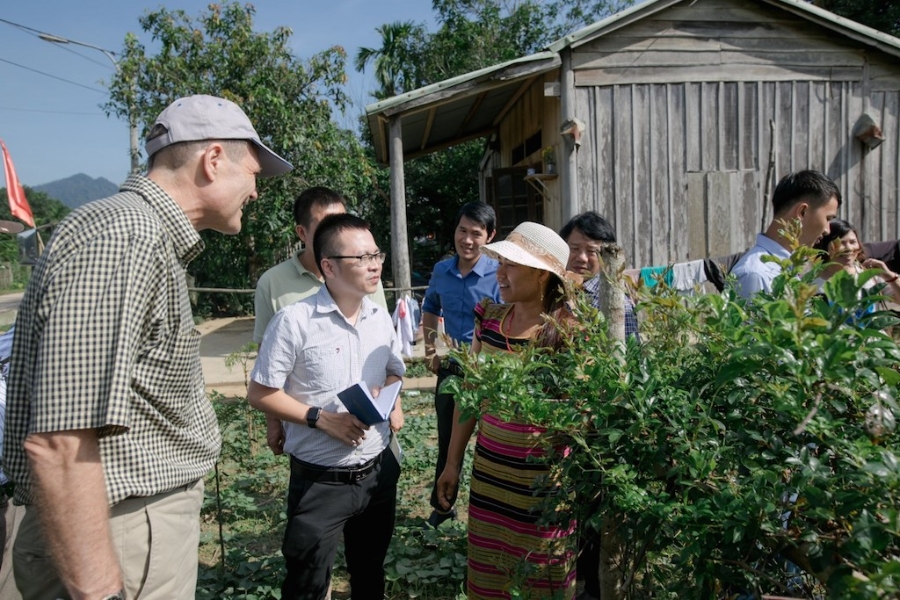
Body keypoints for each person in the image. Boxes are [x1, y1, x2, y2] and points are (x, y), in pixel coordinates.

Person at [5, 94, 292, 600]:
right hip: (122, 536)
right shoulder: (126, 235)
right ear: (214, 160)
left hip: (127, 530)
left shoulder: (137, 233)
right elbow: (62, 441)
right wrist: (98, 590)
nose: (255, 191)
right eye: (254, 172)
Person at [248, 213, 405, 600]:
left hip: (377, 472)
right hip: (320, 481)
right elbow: (260, 392)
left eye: (377, 254)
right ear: (329, 267)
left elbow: (394, 371)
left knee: (369, 573)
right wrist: (321, 419)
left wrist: (387, 393)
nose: (374, 264)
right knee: (307, 583)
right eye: (362, 257)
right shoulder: (294, 322)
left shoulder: (378, 316)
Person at [436, 221, 578, 600]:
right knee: (489, 575)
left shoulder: (569, 332)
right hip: (490, 476)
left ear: (543, 275)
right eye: (500, 262)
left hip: (542, 486)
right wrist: (453, 463)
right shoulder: (491, 318)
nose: (499, 273)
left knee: (541, 577)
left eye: (511, 265)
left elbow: (582, 417)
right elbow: (470, 396)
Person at [254, 186, 388, 456]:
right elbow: (266, 367)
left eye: (343, 220)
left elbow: (382, 344)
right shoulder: (273, 283)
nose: (340, 231)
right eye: (328, 224)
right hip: (313, 441)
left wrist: (391, 405)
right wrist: (274, 420)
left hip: (369, 438)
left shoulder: (366, 278)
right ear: (302, 233)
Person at [422, 201, 500, 528]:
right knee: (447, 439)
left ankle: (491, 513)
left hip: (491, 372)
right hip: (454, 369)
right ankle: (443, 508)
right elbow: (429, 307)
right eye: (462, 231)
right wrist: (430, 350)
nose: (467, 239)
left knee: (494, 442)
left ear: (490, 236)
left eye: (476, 233)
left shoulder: (501, 273)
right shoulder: (442, 271)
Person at [731, 170, 841, 298]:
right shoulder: (755, 274)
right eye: (827, 218)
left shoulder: (788, 267)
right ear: (802, 212)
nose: (828, 230)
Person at [560, 211, 639, 338]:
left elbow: (631, 354)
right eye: (574, 248)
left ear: (606, 255)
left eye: (592, 251)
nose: (582, 258)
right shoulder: (552, 290)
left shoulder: (615, 302)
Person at [813, 218, 900, 306]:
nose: (849, 248)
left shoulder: (868, 275)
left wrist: (889, 276)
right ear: (825, 246)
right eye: (841, 243)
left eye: (853, 242)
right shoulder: (812, 281)